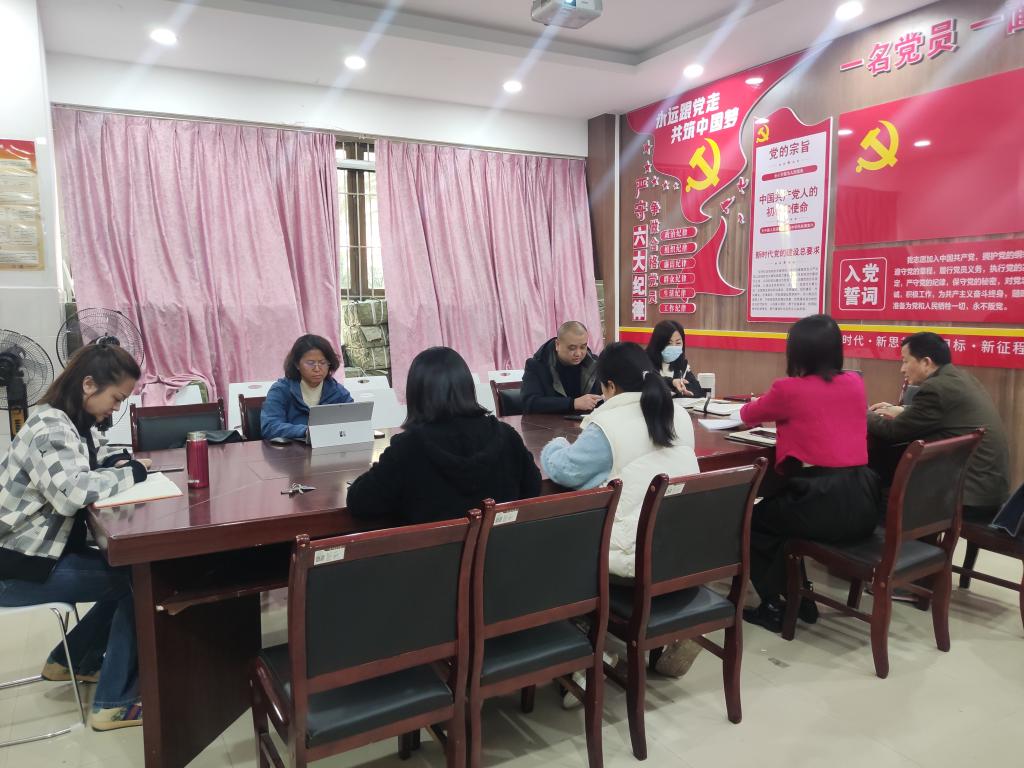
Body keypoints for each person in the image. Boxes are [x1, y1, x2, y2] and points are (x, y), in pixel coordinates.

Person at [0, 343, 150, 731]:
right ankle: (114, 703)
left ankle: (70, 661)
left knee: (125, 571)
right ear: (88, 385)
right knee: (140, 579)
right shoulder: (50, 427)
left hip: (33, 557)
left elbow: (84, 467)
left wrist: (112, 464)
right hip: (16, 567)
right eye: (116, 398)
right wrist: (131, 473)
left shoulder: (69, 422)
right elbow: (72, 493)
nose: (115, 409)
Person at [541, 341, 702, 689]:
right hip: (681, 547)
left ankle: (588, 649)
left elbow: (565, 471)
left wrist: (555, 444)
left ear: (610, 386)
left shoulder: (608, 426)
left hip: (630, 555)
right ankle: (661, 639)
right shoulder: (678, 413)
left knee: (556, 542)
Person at [739, 314, 879, 633]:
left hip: (820, 503)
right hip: (863, 502)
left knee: (754, 521)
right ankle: (800, 595)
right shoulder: (855, 383)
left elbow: (748, 414)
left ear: (797, 352)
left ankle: (774, 604)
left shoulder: (789, 389)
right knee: (779, 517)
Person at [347, 347, 541, 525]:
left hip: (431, 552)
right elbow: (533, 487)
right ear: (467, 387)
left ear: (416, 393)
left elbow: (360, 502)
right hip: (502, 550)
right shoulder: (506, 436)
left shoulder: (408, 448)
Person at [868, 332, 1010, 523]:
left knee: (880, 491)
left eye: (905, 361)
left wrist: (861, 412)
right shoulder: (960, 378)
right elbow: (943, 413)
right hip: (988, 490)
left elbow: (892, 432)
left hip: (968, 497)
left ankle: (887, 537)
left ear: (926, 362)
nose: (902, 369)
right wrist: (901, 409)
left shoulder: (936, 388)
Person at [261, 334, 353, 440]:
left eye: (322, 363)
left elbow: (354, 422)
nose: (317, 369)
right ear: (297, 364)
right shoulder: (280, 390)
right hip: (292, 449)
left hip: (330, 447)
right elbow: (270, 427)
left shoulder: (338, 392)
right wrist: (306, 431)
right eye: (310, 363)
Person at [521, 321, 602, 414]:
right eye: (572, 348)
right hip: (549, 422)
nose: (578, 353)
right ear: (557, 345)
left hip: (588, 421)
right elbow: (530, 403)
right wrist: (573, 403)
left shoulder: (594, 364)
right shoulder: (537, 366)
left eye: (583, 347)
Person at [645, 320, 704, 397]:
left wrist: (684, 388)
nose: (674, 347)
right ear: (658, 343)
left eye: (678, 343)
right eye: (668, 343)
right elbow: (652, 381)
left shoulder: (682, 364)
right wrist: (672, 383)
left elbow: (698, 390)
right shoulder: (644, 361)